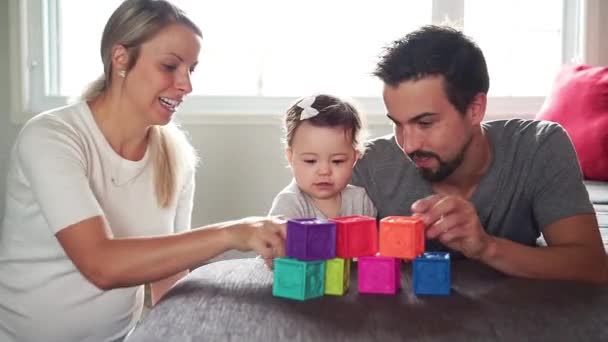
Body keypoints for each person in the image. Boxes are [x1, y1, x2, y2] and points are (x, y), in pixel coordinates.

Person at [0, 1, 286, 341]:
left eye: (191, 69)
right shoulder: (51, 138)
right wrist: (233, 233)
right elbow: (100, 265)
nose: (186, 85)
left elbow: (169, 276)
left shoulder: (175, 155)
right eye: (170, 66)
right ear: (120, 58)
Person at [352, 25, 608, 284]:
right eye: (397, 124)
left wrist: (487, 247)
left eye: (425, 123)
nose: (407, 145)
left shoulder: (539, 148)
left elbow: (593, 266)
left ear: (475, 109)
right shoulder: (367, 165)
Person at [268, 94, 377, 219]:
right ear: (290, 157)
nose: (324, 171)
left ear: (354, 158)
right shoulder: (289, 203)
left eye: (337, 161)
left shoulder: (360, 201)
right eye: (311, 161)